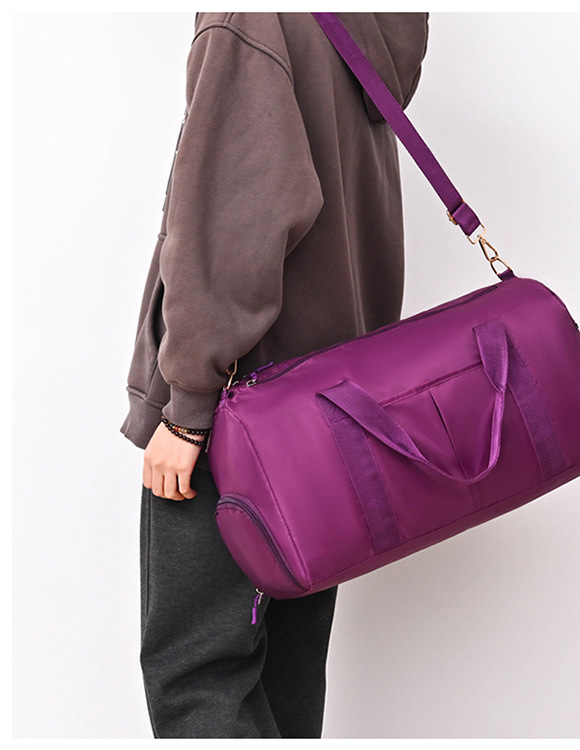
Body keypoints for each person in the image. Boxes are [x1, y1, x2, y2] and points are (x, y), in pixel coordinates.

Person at [119, 12, 430, 739]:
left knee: (198, 674)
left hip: (241, 417)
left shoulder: (251, 18)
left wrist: (187, 408)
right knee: (286, 671)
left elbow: (231, 227)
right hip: (334, 413)